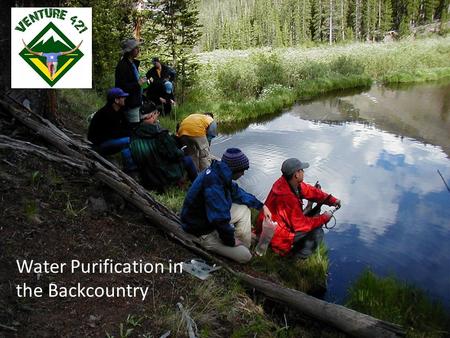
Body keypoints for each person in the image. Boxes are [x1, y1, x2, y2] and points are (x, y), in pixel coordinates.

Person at [180, 148, 272, 263]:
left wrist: (261, 206)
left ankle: (242, 243)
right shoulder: (213, 184)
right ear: (235, 170)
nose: (243, 174)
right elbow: (219, 220)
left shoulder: (220, 173)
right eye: (242, 170)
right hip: (200, 230)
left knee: (244, 209)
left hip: (206, 218)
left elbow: (238, 193)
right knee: (245, 256)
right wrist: (231, 241)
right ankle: (239, 245)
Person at [256, 158, 341, 258]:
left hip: (272, 227)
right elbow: (301, 225)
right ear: (296, 174)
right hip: (276, 235)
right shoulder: (286, 197)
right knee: (317, 233)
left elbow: (310, 191)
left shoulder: (286, 182)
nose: (303, 172)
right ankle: (293, 257)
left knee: (312, 219)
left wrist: (332, 200)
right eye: (301, 170)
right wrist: (324, 218)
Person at [129, 103, 197, 192]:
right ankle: (197, 187)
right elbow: (174, 154)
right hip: (163, 173)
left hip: (146, 174)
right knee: (188, 160)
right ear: (152, 115)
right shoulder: (160, 135)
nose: (157, 116)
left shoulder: (134, 134)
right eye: (156, 113)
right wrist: (182, 151)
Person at [87, 88, 131, 155]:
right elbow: (113, 133)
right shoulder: (105, 113)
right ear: (116, 100)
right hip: (98, 145)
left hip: (109, 140)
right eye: (122, 97)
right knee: (129, 140)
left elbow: (126, 126)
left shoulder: (119, 111)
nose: (125, 98)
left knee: (132, 138)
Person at [115, 38, 147, 126]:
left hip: (136, 102)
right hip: (129, 104)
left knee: (137, 128)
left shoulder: (133, 64)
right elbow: (121, 87)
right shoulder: (123, 66)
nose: (138, 50)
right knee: (133, 130)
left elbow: (133, 81)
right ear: (130, 51)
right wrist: (138, 83)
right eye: (136, 48)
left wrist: (141, 82)